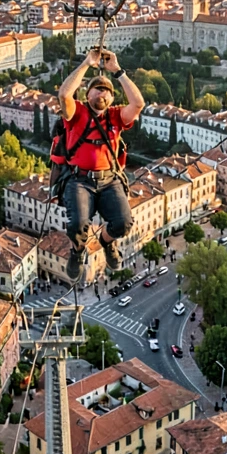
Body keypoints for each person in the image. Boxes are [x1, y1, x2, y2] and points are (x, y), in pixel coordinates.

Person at [55, 47, 145, 282]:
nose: (102, 95)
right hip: (79, 180)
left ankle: (106, 242)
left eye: (107, 92)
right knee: (77, 224)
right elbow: (64, 94)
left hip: (109, 180)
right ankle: (77, 252)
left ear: (112, 98)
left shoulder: (116, 116)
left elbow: (138, 104)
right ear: (87, 94)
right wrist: (87, 63)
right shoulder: (78, 113)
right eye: (97, 90)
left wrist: (117, 71)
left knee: (124, 223)